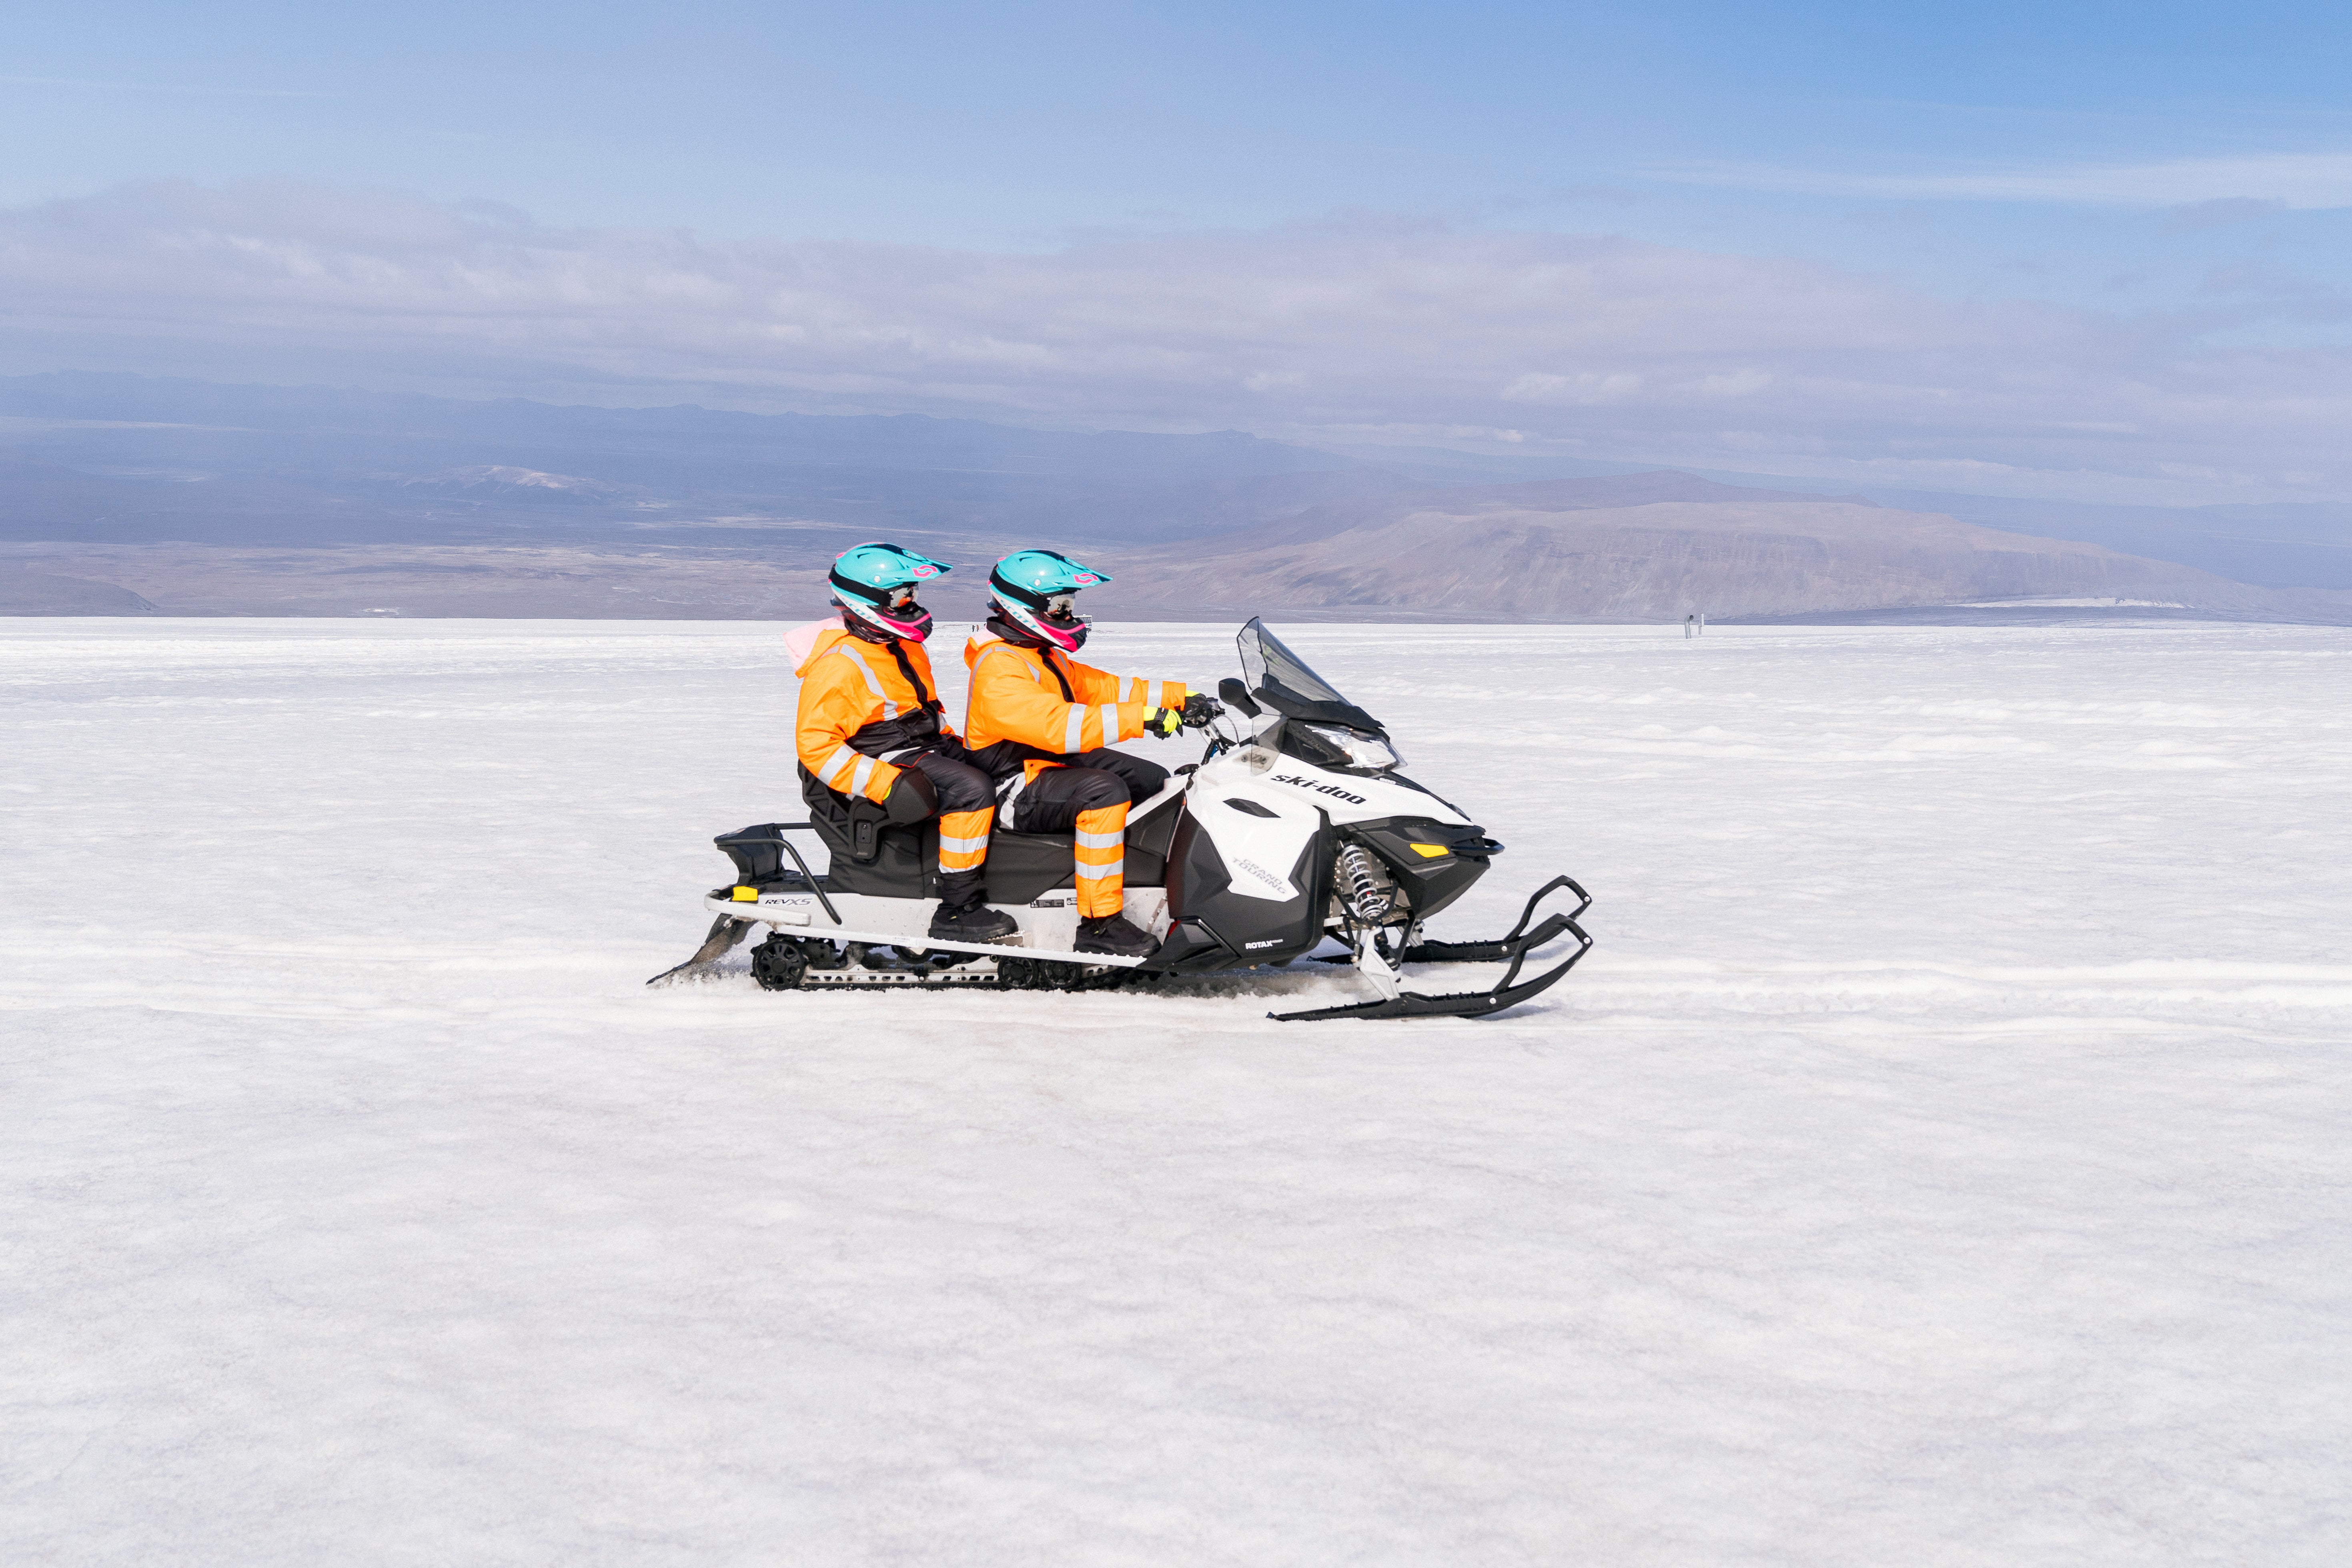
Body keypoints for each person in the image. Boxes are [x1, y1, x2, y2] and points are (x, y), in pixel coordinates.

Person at [962, 549, 1214, 957]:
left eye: (1071, 605)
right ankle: (1099, 923)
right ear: (1023, 607)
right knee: (1105, 792)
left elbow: (1105, 688)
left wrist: (1182, 696)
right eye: (1060, 605)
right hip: (1011, 786)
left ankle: (1142, 882)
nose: (1069, 614)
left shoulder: (1040, 655)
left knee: (1150, 779)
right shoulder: (998, 667)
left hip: (1041, 766)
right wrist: (1143, 718)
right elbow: (1057, 727)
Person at [792, 542, 1019, 943]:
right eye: (902, 595)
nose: (912, 602)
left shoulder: (904, 646)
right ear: (868, 600)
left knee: (1005, 762)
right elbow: (815, 745)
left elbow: (919, 710)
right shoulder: (839, 664)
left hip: (925, 745)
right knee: (970, 789)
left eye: (912, 593)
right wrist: (885, 783)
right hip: (886, 757)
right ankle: (957, 908)